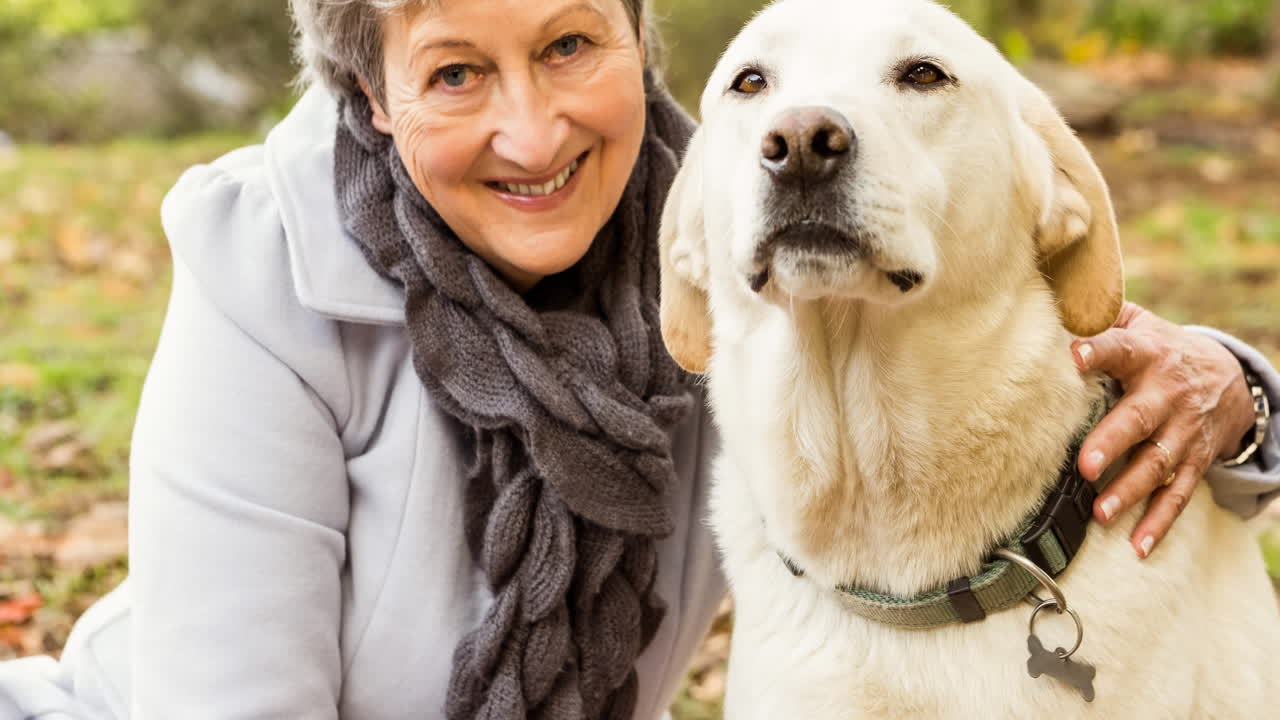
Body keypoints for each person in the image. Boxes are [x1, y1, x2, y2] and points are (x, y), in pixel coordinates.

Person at [0, 1, 1275, 718]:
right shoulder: (261, 264)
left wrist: (1234, 384)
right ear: (372, 100)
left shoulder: (727, 237)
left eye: (568, 45)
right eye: (454, 73)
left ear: (635, 45)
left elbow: (985, 321)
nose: (529, 130)